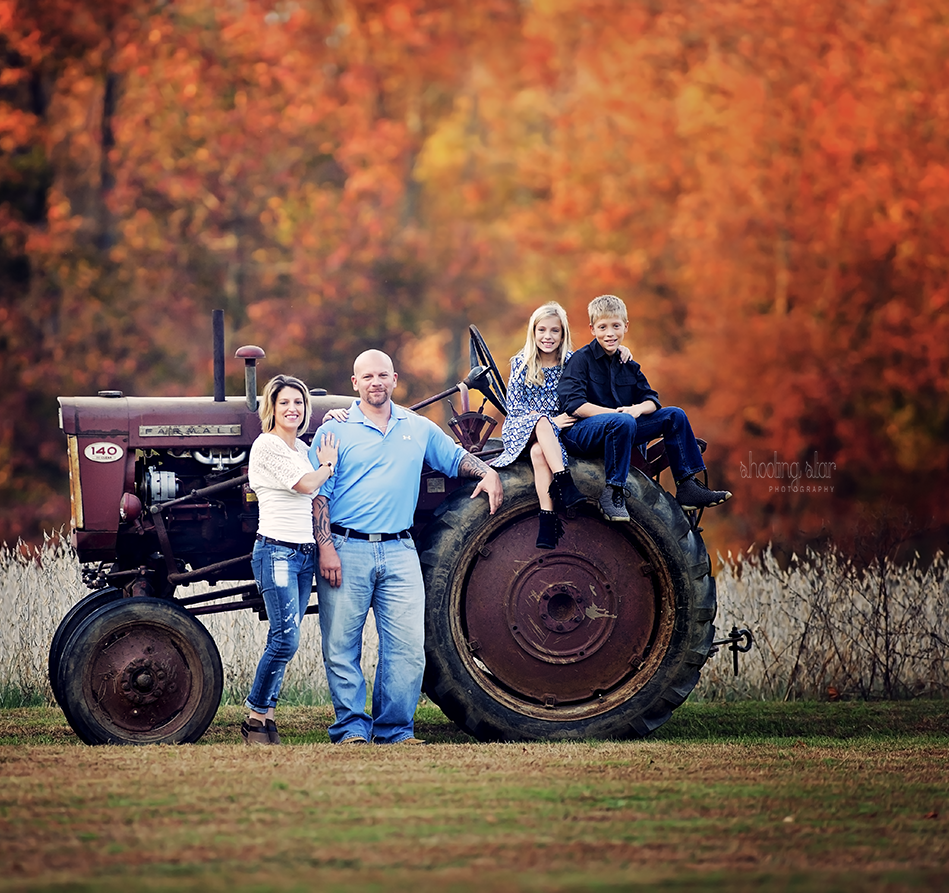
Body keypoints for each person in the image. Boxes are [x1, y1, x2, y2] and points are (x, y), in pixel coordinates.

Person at [309, 350, 503, 745]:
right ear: (355, 383)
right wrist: (325, 547)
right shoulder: (335, 432)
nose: (376, 382)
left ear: (395, 379)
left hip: (400, 550)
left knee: (408, 647)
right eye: (368, 377)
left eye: (383, 375)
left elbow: (456, 459)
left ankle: (395, 729)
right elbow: (318, 496)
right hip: (347, 548)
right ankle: (349, 729)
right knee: (341, 645)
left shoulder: (418, 428)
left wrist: (489, 473)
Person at [557, 294, 731, 522]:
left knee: (674, 415)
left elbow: (651, 399)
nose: (610, 333)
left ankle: (687, 486)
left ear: (625, 327)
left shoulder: (628, 363)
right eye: (603, 327)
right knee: (623, 421)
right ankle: (613, 493)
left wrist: (636, 409)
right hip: (583, 433)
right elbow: (574, 405)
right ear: (592, 329)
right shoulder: (581, 360)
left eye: (616, 326)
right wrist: (616, 414)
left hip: (624, 426)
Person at [241, 374, 340, 746]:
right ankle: (254, 715)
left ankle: (267, 718)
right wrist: (327, 465)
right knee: (285, 639)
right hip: (277, 550)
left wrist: (336, 421)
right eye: (284, 402)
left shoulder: (299, 448)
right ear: (272, 407)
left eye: (298, 403)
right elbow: (306, 485)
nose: (292, 409)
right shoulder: (267, 446)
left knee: (286, 636)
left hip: (303, 555)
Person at [489, 301, 630, 549]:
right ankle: (565, 483)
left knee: (538, 452)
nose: (548, 336)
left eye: (555, 331)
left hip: (556, 434)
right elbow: (515, 408)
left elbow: (600, 354)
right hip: (523, 427)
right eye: (542, 330)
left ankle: (548, 521)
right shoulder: (522, 363)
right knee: (541, 422)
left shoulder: (572, 361)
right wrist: (550, 421)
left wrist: (621, 349)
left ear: (563, 333)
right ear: (533, 332)